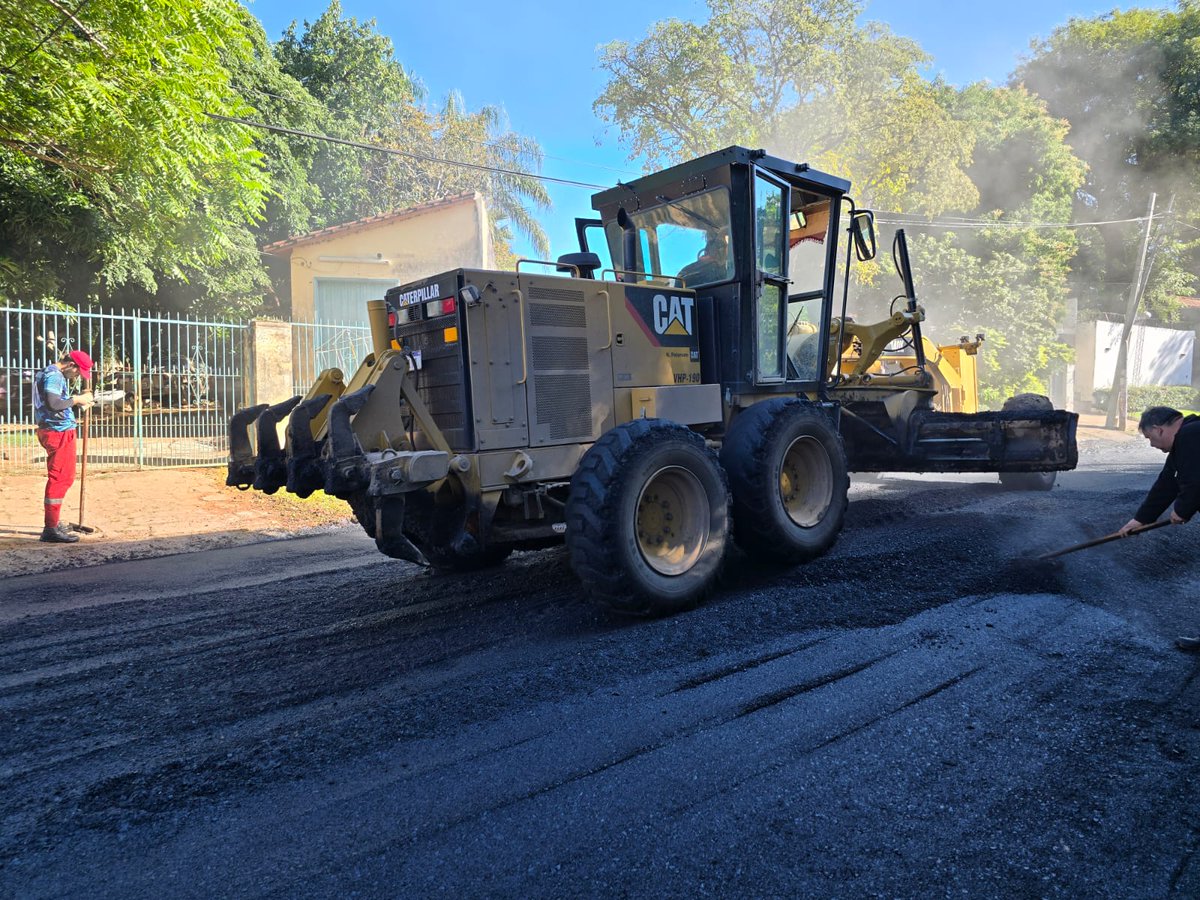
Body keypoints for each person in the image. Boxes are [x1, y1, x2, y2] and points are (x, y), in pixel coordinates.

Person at [1115, 406, 1200, 650]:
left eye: (1149, 438)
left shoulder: (1192, 436)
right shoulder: (1186, 440)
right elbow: (1167, 483)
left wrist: (1182, 510)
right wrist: (1140, 519)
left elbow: (1196, 480)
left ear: (1158, 429)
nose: (1152, 444)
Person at [33, 350, 93, 543]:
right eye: (77, 372)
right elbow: (53, 403)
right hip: (58, 432)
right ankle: (50, 528)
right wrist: (77, 400)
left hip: (52, 429)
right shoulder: (54, 376)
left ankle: (54, 521)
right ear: (71, 365)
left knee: (63, 477)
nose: (76, 376)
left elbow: (55, 402)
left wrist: (76, 401)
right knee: (61, 478)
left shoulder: (46, 372)